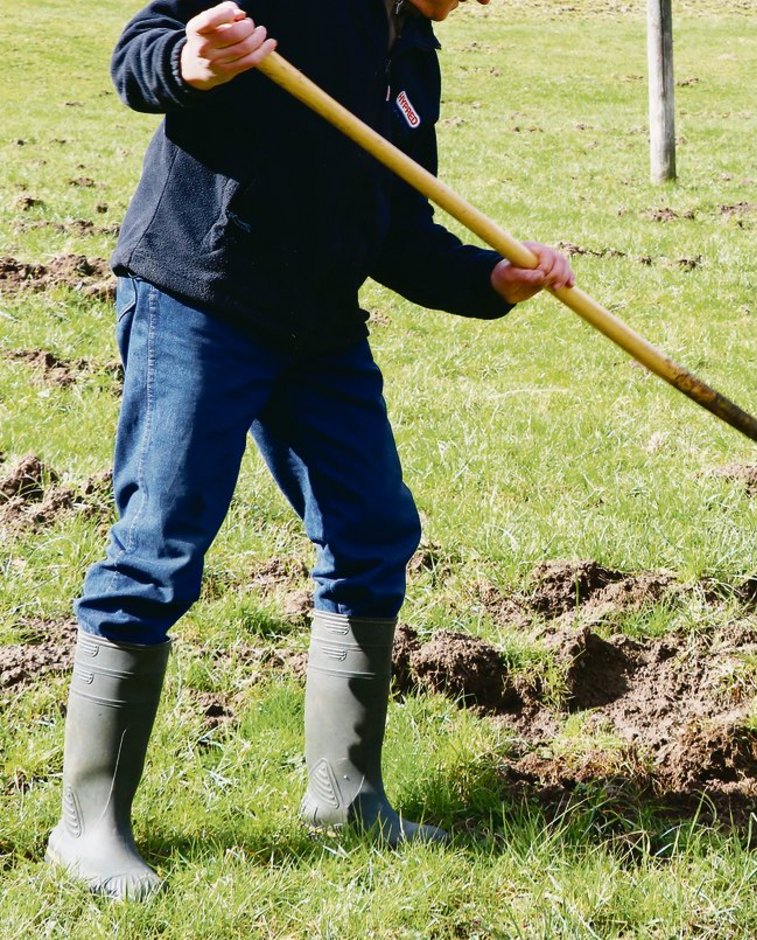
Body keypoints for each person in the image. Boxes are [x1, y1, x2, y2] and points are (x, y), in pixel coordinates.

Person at [46, 0, 574, 901]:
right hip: (201, 296)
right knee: (158, 550)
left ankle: (345, 792)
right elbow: (141, 53)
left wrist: (489, 280)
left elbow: (397, 230)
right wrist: (190, 62)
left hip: (319, 324)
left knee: (370, 530)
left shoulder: (413, 54)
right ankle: (87, 825)